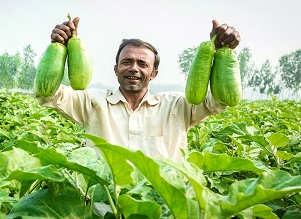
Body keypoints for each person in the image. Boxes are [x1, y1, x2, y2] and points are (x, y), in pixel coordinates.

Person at [37, 17, 241, 163]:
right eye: (127, 62)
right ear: (116, 69)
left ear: (154, 74)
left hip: (163, 214)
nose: (134, 68)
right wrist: (59, 47)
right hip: (108, 214)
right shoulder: (93, 103)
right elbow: (47, 93)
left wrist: (222, 51)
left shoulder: (177, 106)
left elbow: (219, 100)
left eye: (142, 64)